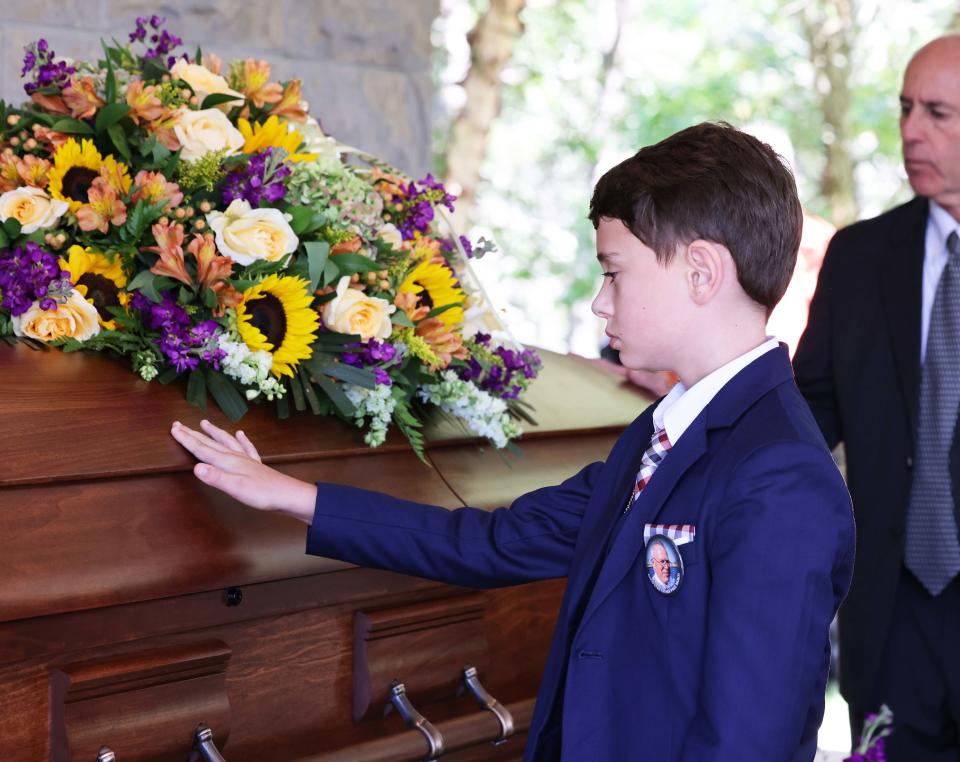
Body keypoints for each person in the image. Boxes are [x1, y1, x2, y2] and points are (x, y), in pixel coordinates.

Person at [172, 122, 854, 761]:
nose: (599, 302)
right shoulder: (662, 431)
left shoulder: (779, 477)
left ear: (702, 273)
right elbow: (489, 543)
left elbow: (746, 743)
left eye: (614, 271)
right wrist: (293, 497)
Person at [794, 35, 960, 761]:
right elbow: (804, 412)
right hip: (890, 622)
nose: (911, 132)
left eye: (938, 113)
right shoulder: (860, 257)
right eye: (904, 110)